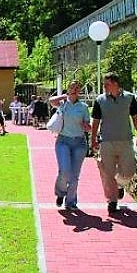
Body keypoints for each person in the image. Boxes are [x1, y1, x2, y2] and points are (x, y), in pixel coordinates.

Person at [91, 72, 137, 216]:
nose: (104, 86)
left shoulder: (130, 98)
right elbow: (95, 121)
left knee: (129, 172)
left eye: (106, 84)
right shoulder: (100, 100)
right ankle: (112, 201)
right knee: (107, 173)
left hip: (125, 141)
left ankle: (119, 184)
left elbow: (135, 117)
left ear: (115, 84)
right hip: (106, 141)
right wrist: (93, 139)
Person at [49, 81, 91, 211]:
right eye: (72, 87)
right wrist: (64, 96)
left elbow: (88, 126)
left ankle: (71, 201)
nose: (74, 90)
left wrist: (86, 126)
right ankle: (61, 192)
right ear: (68, 89)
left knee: (74, 175)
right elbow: (51, 101)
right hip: (63, 141)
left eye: (77, 88)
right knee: (64, 171)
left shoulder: (83, 107)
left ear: (80, 91)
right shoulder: (63, 104)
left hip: (79, 143)